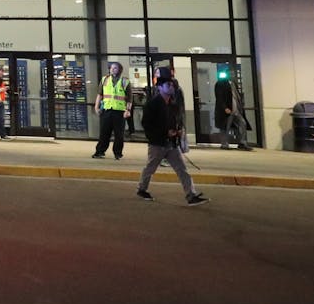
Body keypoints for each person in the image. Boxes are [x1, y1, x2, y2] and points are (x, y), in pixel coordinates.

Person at [136, 67, 207, 205]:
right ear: (160, 87)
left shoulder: (172, 104)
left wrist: (177, 131)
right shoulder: (153, 104)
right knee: (150, 168)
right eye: (168, 85)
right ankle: (141, 189)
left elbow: (175, 121)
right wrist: (163, 132)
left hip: (171, 144)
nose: (171, 87)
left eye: (172, 85)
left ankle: (191, 195)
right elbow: (146, 124)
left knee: (182, 170)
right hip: (157, 144)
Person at [91, 61, 131, 159]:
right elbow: (100, 94)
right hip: (107, 110)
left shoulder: (125, 81)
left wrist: (127, 110)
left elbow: (129, 98)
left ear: (120, 70)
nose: (112, 69)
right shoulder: (105, 79)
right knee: (104, 133)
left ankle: (117, 153)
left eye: (115, 68)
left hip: (120, 111)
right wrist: (96, 107)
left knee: (119, 134)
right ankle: (100, 151)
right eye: (111, 68)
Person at [214, 69, 252, 150]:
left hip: (236, 110)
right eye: (230, 74)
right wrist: (225, 108)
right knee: (225, 127)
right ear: (227, 74)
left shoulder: (234, 84)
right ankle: (224, 144)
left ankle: (242, 142)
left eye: (233, 74)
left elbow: (237, 96)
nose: (232, 75)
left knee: (243, 124)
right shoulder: (220, 84)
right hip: (227, 110)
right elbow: (219, 98)